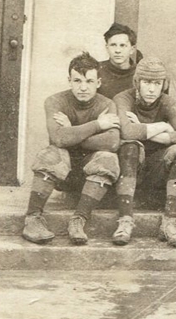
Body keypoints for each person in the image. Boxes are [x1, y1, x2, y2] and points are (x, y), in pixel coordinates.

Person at [22, 53, 121, 245]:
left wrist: (71, 133)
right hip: (61, 175)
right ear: (69, 80)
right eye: (77, 81)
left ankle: (79, 220)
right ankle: (32, 218)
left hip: (91, 178)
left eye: (89, 81)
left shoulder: (107, 104)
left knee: (108, 158)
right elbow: (58, 138)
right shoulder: (55, 101)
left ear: (98, 82)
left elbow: (112, 142)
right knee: (51, 153)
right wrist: (97, 125)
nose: (83, 87)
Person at [111, 57, 176, 248]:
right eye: (147, 83)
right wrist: (163, 127)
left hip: (156, 168)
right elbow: (127, 131)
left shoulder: (166, 102)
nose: (152, 89)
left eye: (157, 83)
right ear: (137, 83)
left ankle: (169, 222)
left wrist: (146, 129)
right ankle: (125, 220)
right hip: (127, 168)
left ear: (163, 85)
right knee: (130, 146)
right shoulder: (123, 98)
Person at [97, 22, 139, 99]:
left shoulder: (140, 73)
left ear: (132, 49)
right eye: (113, 45)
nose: (117, 50)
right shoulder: (96, 70)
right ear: (107, 48)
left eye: (122, 45)